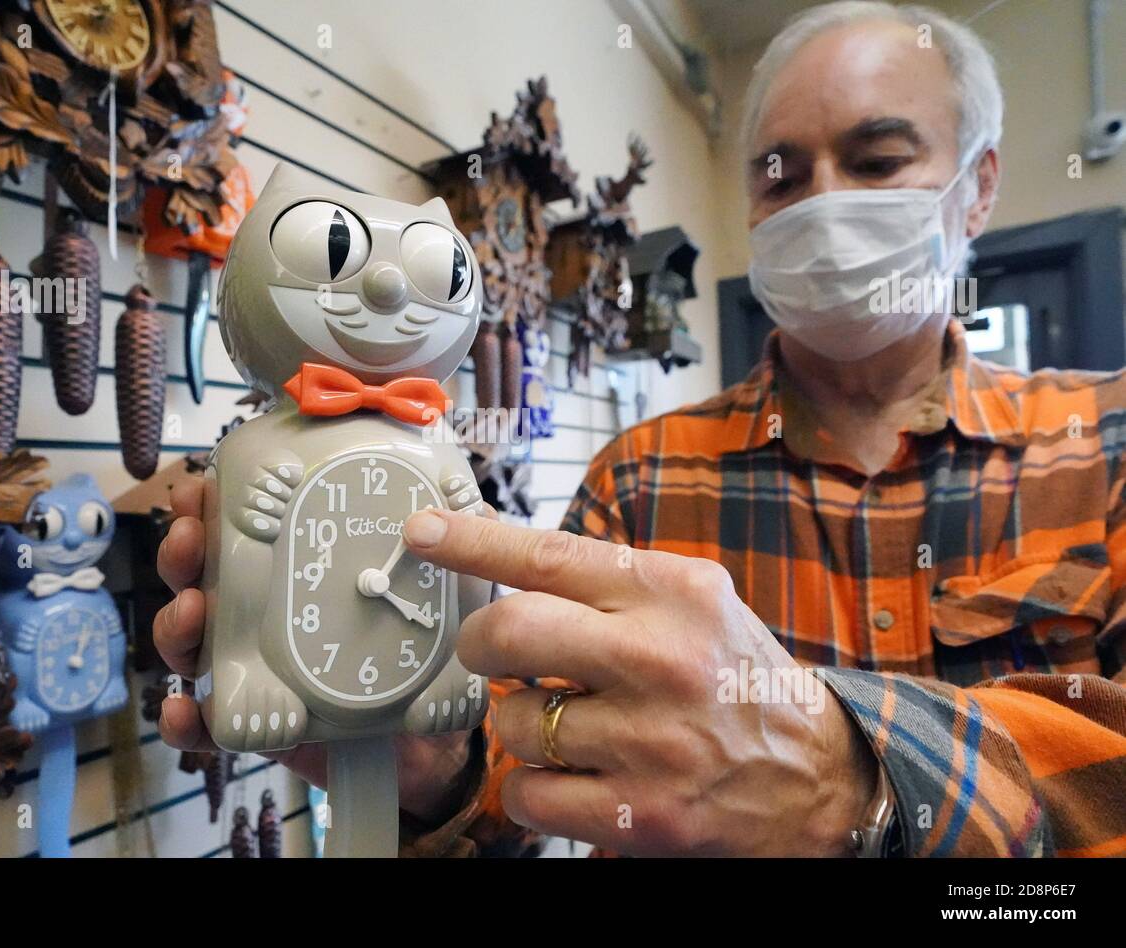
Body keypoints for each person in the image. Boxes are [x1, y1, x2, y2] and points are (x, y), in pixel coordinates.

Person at [154, 1, 1126, 857]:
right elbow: (521, 784)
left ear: (979, 182)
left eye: (876, 161)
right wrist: (422, 760)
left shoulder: (1106, 447)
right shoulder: (640, 480)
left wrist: (851, 778)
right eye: (782, 176)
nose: (824, 201)